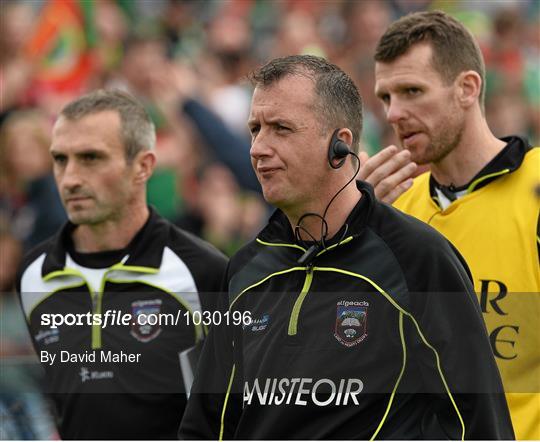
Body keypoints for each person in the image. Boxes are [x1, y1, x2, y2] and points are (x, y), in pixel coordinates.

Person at [178, 55, 514, 439]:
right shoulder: (244, 270)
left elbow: (479, 422)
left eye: (281, 129)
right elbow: (207, 425)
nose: (257, 148)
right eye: (255, 129)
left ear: (340, 145)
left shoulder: (418, 259)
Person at [362, 11, 539, 440]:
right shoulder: (392, 207)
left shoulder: (534, 188)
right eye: (386, 97)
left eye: (411, 91)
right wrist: (348, 242)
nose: (394, 113)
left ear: (467, 88)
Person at [16, 90, 228, 439]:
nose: (69, 178)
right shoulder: (33, 275)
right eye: (60, 159)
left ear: (143, 166)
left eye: (90, 158)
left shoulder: (203, 271)